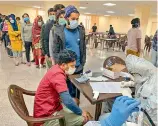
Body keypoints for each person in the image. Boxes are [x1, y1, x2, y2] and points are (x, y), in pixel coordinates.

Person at [34, 49, 90, 126]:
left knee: (75, 101)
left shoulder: (56, 67)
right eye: (72, 66)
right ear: (63, 65)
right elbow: (67, 101)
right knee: (85, 118)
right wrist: (81, 112)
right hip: (46, 118)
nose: (74, 68)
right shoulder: (58, 76)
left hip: (48, 107)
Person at [49, 5, 86, 99]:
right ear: (66, 18)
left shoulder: (80, 30)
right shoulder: (59, 31)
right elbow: (55, 51)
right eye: (73, 18)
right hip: (66, 67)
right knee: (67, 92)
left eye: (77, 19)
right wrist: (60, 66)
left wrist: (82, 62)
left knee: (77, 91)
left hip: (78, 67)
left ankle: (76, 107)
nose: (75, 21)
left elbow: (83, 48)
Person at [122, 54, 157, 125]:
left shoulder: (151, 88)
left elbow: (143, 111)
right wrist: (130, 84)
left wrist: (129, 97)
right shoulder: (151, 73)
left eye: (133, 74)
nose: (133, 76)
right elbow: (142, 82)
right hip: (140, 115)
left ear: (139, 73)